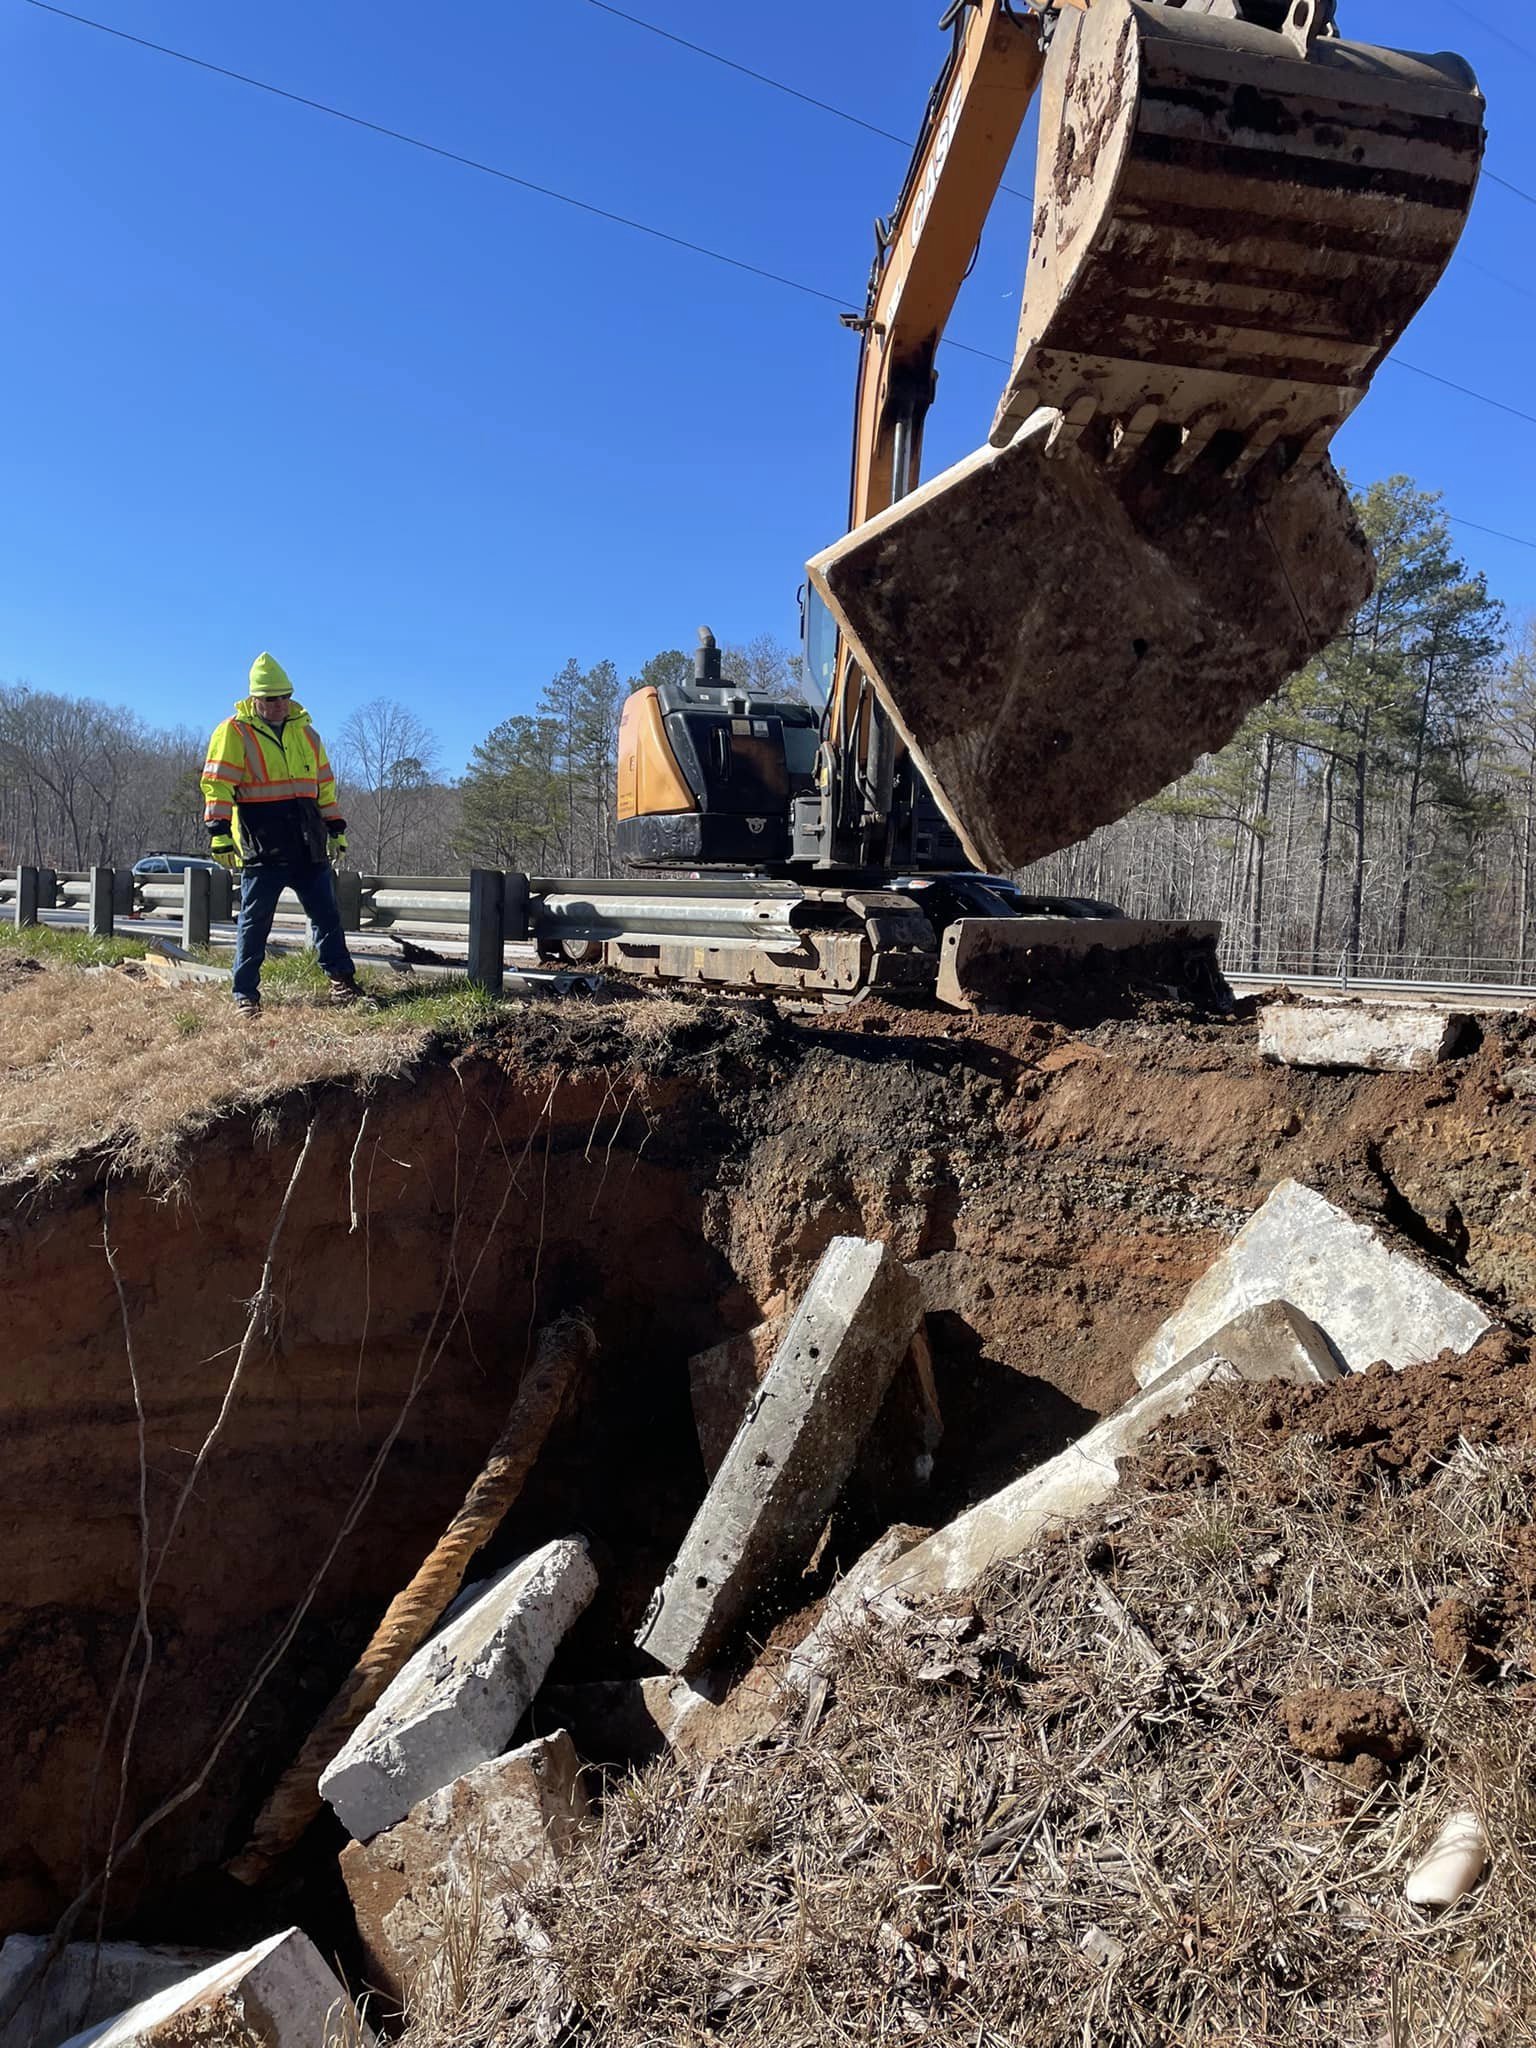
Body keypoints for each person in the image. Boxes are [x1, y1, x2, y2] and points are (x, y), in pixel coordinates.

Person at [201, 652, 365, 1016]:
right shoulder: (234, 732)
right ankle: (245, 994)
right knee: (255, 923)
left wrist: (336, 829)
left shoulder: (307, 734)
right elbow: (218, 785)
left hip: (309, 843)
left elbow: (324, 788)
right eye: (270, 698)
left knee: (327, 916)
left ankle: (342, 981)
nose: (278, 705)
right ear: (255, 699)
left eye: (284, 696)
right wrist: (219, 833)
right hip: (262, 845)